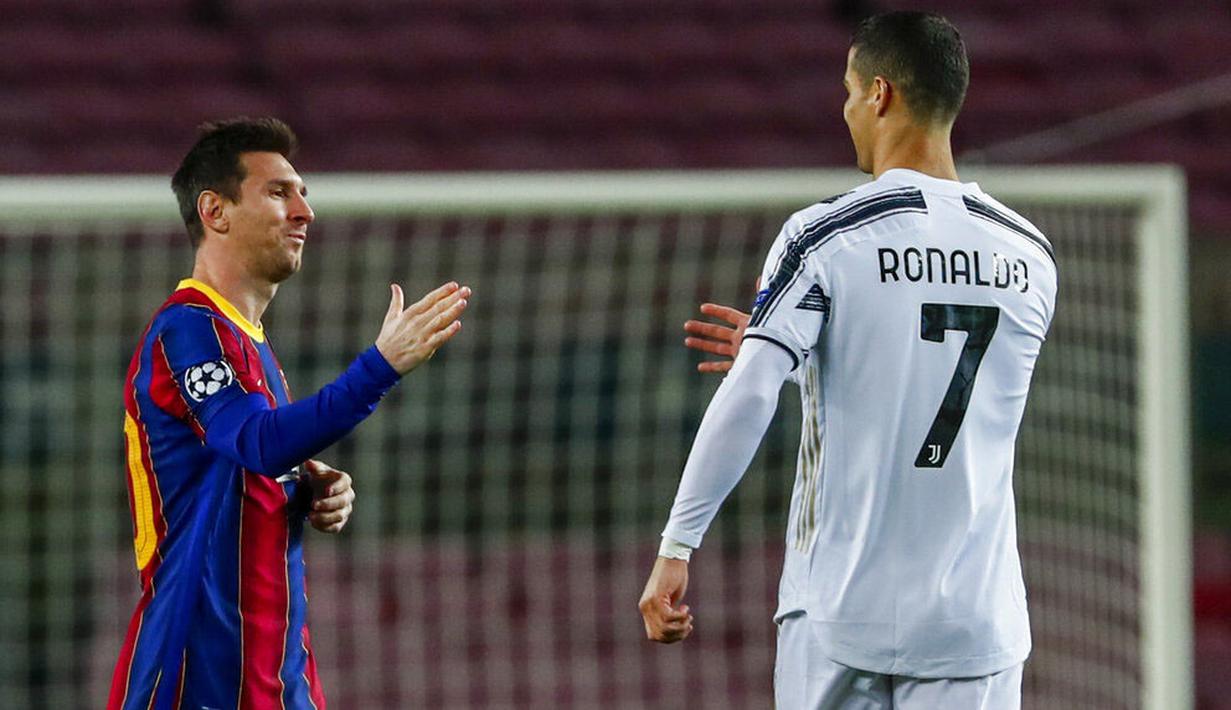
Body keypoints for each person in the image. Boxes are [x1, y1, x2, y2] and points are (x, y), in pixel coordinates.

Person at [639, 12, 1057, 709]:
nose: (844, 109)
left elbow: (748, 395)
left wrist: (676, 544)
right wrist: (819, 354)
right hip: (974, 623)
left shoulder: (828, 234)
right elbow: (942, 387)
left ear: (880, 95)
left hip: (841, 607)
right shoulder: (1028, 254)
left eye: (846, 89)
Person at [108, 117, 470, 709]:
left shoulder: (249, 344)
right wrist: (379, 366)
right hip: (195, 672)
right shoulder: (189, 329)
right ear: (215, 211)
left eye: (303, 194)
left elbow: (244, 463)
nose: (304, 211)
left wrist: (302, 487)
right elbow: (255, 439)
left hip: (275, 673)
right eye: (279, 192)